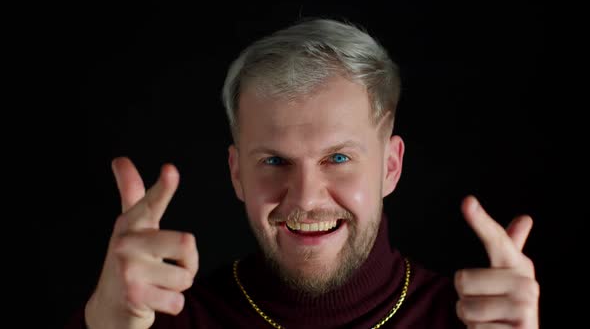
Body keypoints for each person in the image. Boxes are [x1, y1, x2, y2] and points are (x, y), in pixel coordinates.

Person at [67, 18, 539, 328]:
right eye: (274, 161)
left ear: (390, 167)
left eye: (338, 158)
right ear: (236, 174)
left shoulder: (474, 320)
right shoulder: (162, 320)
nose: (306, 198)